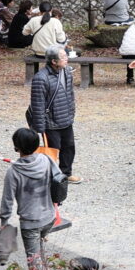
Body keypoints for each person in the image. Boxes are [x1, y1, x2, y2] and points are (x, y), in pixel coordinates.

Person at [0, 126, 67, 267]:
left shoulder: (14, 172)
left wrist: (4, 222)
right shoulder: (46, 159)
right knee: (39, 253)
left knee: (34, 263)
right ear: (36, 145)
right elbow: (59, 178)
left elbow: (7, 200)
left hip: (31, 223)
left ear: (16, 147)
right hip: (49, 217)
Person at [26, 47, 79, 182]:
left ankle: (66, 174)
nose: (66, 58)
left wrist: (71, 113)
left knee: (69, 148)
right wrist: (40, 128)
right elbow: (38, 105)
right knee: (53, 151)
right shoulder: (40, 78)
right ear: (54, 61)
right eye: (63, 57)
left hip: (66, 119)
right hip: (50, 122)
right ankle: (53, 176)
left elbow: (70, 95)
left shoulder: (67, 71)